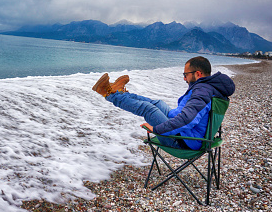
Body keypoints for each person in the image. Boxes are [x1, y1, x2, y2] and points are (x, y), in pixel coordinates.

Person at [92, 56, 235, 150]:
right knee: (158, 103)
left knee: (149, 109)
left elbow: (188, 119)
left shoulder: (202, 91)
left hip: (182, 141)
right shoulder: (209, 88)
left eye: (186, 75)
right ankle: (119, 93)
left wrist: (157, 130)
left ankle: (108, 93)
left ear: (198, 74)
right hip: (188, 133)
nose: (184, 79)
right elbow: (190, 115)